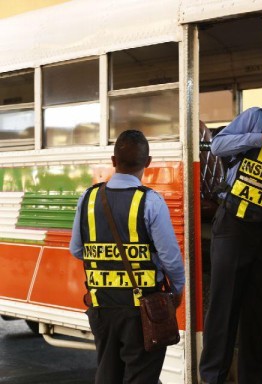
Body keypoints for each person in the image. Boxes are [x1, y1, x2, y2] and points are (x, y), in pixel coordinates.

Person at [69, 129, 185, 384]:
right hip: (142, 311)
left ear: (113, 161)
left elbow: (76, 250)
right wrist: (177, 290)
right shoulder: (151, 202)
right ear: (148, 162)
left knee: (108, 376)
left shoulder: (88, 198)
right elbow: (170, 258)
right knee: (142, 377)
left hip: (101, 308)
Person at [199, 107, 262, 384]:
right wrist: (259, 139)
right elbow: (217, 145)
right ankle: (212, 377)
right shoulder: (256, 117)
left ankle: (253, 377)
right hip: (233, 223)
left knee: (258, 311)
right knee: (224, 306)